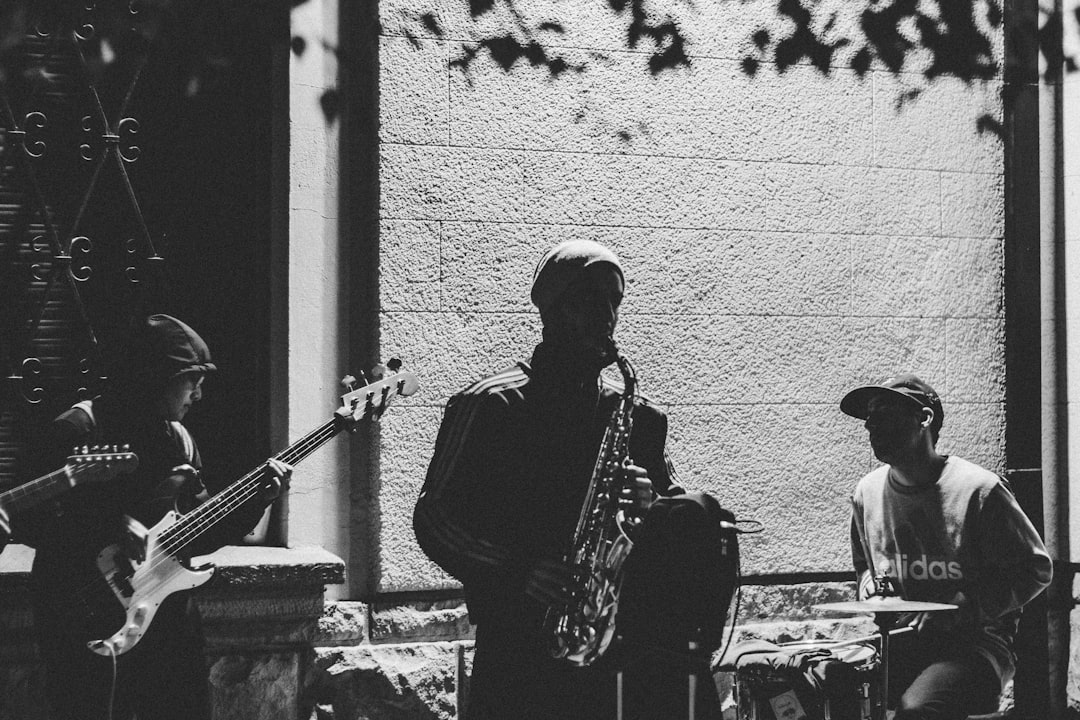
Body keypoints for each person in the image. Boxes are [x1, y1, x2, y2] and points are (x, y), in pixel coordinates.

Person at [414, 240, 726, 720]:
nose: (605, 315)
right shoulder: (492, 405)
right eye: (588, 300)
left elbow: (670, 527)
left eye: (613, 302)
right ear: (552, 310)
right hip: (518, 644)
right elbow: (433, 517)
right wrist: (518, 571)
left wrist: (652, 503)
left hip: (617, 648)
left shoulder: (635, 415)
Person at [22, 314, 291, 720]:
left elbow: (193, 535)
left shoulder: (178, 441)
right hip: (82, 617)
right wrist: (109, 522)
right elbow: (22, 518)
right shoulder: (78, 429)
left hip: (162, 619)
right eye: (191, 381)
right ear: (155, 378)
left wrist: (256, 502)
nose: (198, 395)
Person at [842, 373, 1052, 720]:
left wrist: (968, 604)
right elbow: (864, 565)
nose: (870, 425)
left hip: (975, 647)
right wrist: (869, 587)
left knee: (917, 710)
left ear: (924, 419)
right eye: (869, 417)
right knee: (829, 688)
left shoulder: (979, 490)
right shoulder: (866, 492)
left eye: (884, 413)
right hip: (901, 642)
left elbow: (1036, 568)